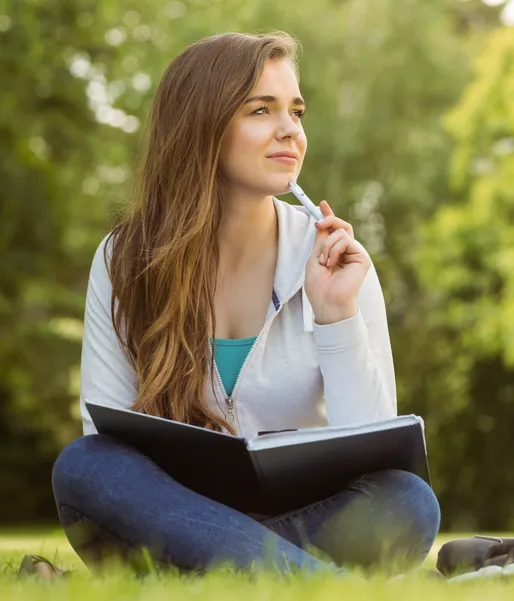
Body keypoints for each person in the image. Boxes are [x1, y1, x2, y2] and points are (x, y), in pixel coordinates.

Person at [50, 31, 440, 578]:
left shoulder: (336, 261)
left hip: (301, 514)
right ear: (200, 127)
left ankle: (184, 573)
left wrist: (336, 315)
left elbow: (375, 455)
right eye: (261, 110)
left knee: (407, 502)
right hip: (174, 510)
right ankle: (317, 583)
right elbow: (110, 444)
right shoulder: (124, 259)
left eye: (296, 112)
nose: (290, 131)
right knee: (86, 468)